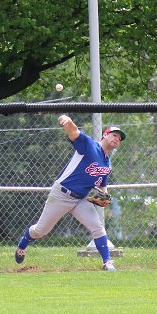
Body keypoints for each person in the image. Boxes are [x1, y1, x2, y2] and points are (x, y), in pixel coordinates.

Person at [14, 115, 126, 271]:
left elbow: (102, 183)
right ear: (105, 135)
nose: (117, 139)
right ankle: (22, 244)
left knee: (97, 227)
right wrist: (68, 121)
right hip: (62, 194)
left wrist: (104, 196)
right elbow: (74, 133)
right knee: (41, 231)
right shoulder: (89, 145)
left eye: (119, 138)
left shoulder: (107, 163)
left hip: (80, 199)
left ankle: (107, 262)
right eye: (114, 135)